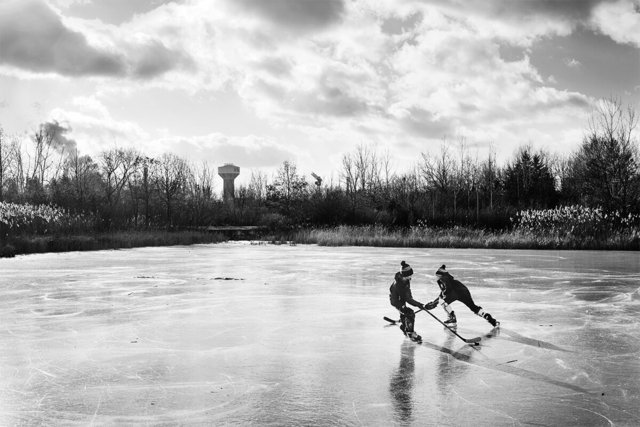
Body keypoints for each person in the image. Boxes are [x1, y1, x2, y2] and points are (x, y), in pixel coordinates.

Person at [424, 264, 499, 328]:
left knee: (442, 301)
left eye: (437, 275)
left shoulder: (443, 279)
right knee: (473, 307)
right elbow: (443, 293)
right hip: (464, 291)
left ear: (440, 275)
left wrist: (435, 303)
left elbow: (446, 291)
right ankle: (489, 319)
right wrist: (434, 302)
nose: (436, 277)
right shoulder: (448, 279)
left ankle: (452, 318)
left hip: (455, 293)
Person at [389, 261, 427, 342]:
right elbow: (408, 299)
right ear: (404, 275)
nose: (411, 277)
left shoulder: (404, 279)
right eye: (409, 275)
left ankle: (404, 326)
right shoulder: (399, 284)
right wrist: (420, 305)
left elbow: (408, 295)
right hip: (396, 301)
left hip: (400, 298)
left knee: (404, 313)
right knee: (409, 313)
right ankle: (410, 333)